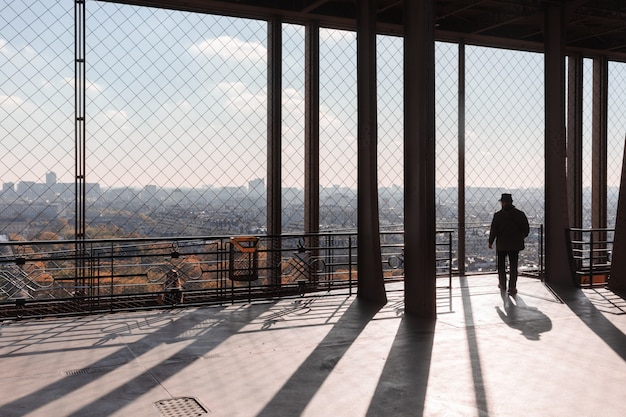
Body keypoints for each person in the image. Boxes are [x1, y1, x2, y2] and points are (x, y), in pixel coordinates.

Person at [488, 193, 529, 295]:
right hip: (515, 245)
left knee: (501, 266)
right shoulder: (520, 214)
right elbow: (526, 229)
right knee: (513, 266)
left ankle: (502, 284)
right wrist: (520, 237)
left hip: (501, 244)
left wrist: (490, 242)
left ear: (503, 202)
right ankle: (512, 287)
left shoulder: (498, 215)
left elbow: (494, 230)